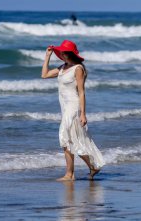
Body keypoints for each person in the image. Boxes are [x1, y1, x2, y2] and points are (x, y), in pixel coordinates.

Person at [41, 40, 105, 181]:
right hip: (65, 107)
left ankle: (70, 174)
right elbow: (44, 75)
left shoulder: (78, 69)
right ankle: (92, 166)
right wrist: (47, 57)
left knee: (65, 138)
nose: (61, 54)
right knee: (71, 140)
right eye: (61, 52)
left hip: (74, 107)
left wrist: (83, 114)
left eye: (63, 52)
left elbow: (81, 92)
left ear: (69, 53)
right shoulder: (62, 68)